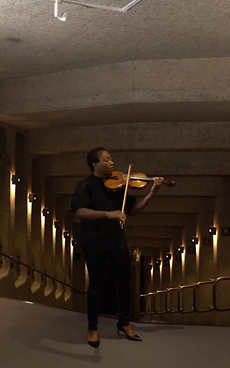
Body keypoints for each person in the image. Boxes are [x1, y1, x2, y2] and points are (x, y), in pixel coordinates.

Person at [71, 147, 163, 348]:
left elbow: (134, 211)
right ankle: (92, 327)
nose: (112, 163)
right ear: (95, 164)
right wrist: (108, 214)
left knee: (125, 282)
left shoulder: (121, 186)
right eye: (107, 160)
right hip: (93, 240)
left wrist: (152, 192)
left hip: (116, 239)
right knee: (96, 285)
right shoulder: (84, 185)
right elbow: (81, 212)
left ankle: (124, 323)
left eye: (111, 160)